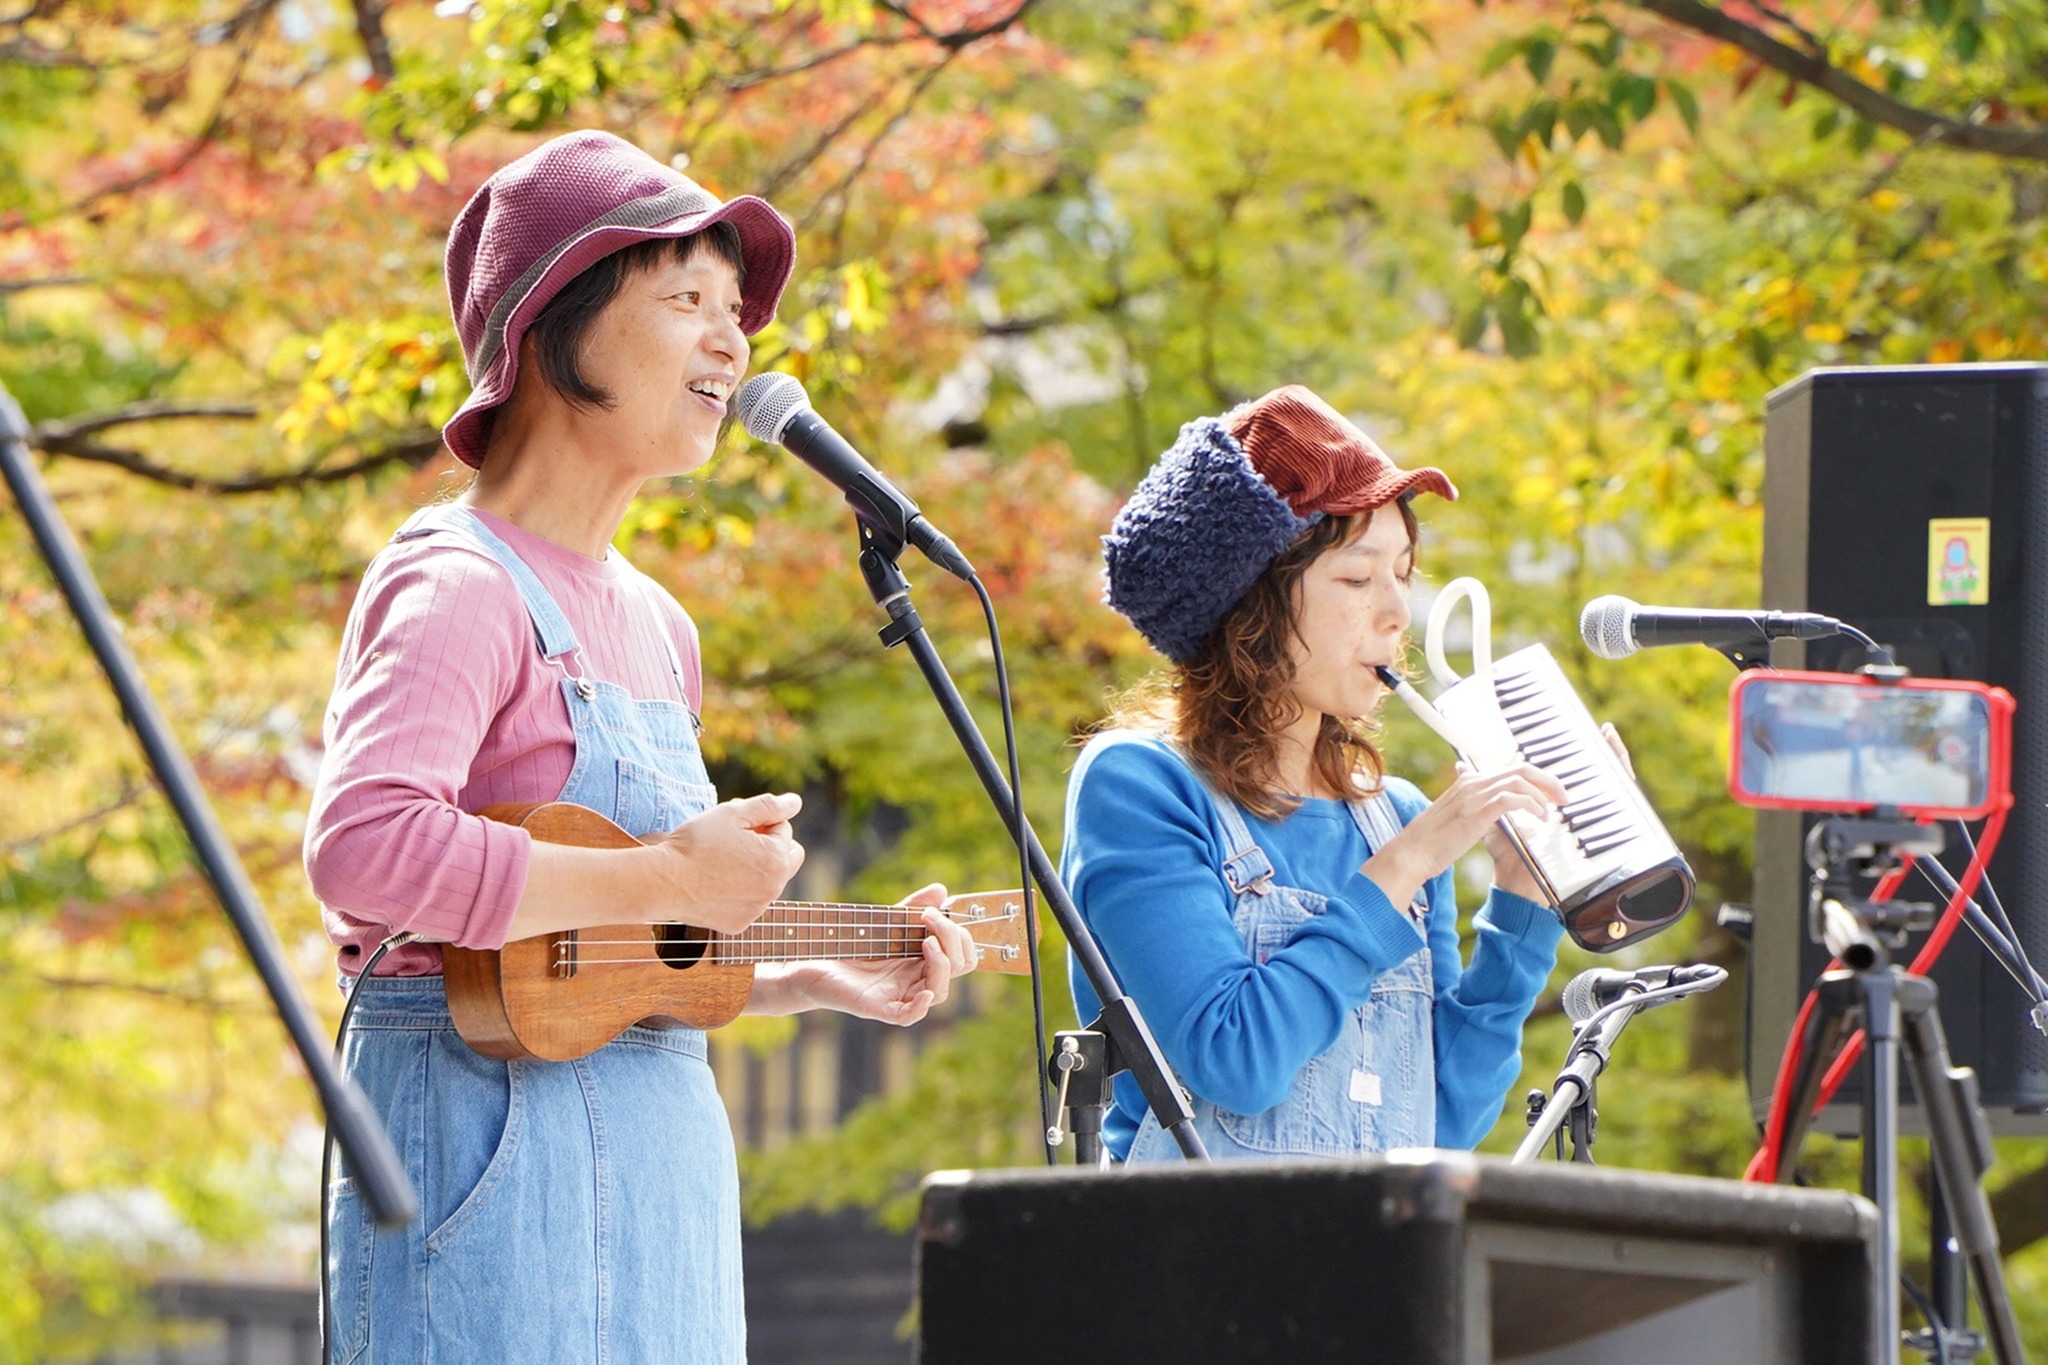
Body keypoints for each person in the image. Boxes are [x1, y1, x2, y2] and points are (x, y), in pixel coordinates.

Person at [303, 130, 977, 1364]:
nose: (735, 342)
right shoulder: (457, 579)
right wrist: (670, 876)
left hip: (665, 1161)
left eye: (738, 314)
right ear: (552, 328)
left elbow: (613, 961)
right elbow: (363, 845)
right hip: (482, 1154)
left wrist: (805, 972)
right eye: (687, 302)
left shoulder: (663, 629)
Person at [1061, 384, 1570, 1164]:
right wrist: (1402, 867)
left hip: (1369, 1267)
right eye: (1359, 578)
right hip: (1193, 1265)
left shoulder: (1395, 812)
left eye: (1404, 572)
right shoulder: (1137, 784)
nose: (1399, 612)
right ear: (1253, 603)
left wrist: (1519, 904)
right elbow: (1236, 1062)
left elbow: (1443, 1120)